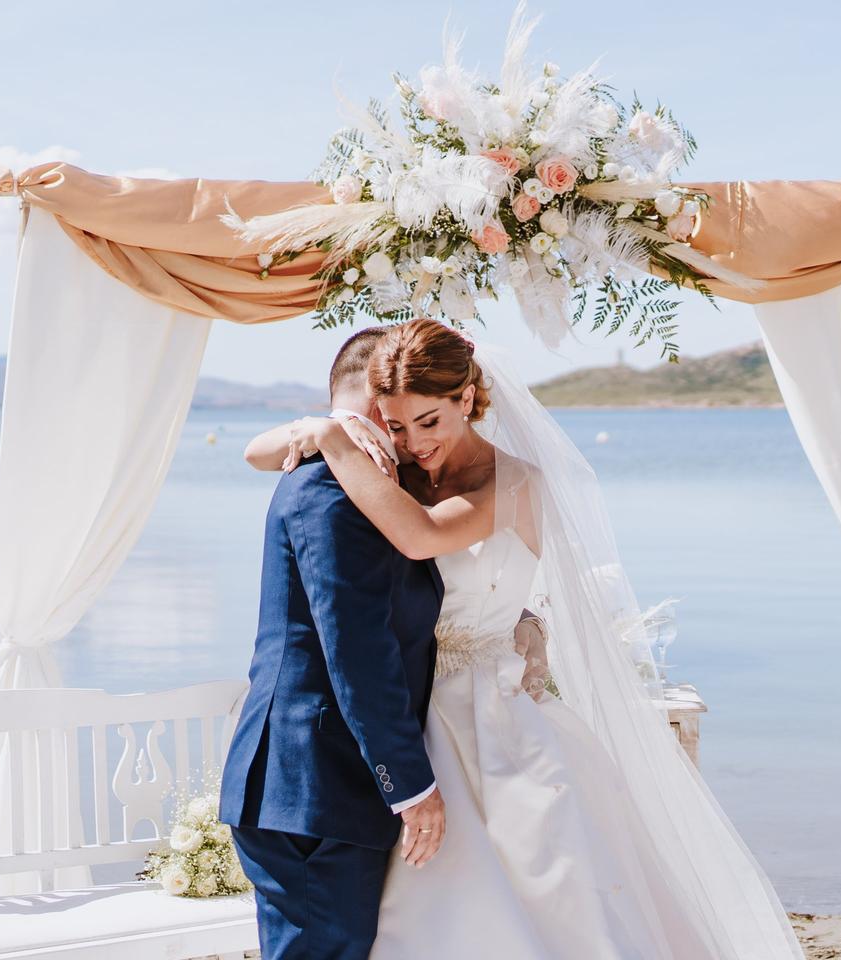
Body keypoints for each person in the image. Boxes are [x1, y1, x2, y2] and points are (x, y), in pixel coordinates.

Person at [255, 318, 807, 959]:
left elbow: (424, 540)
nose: (413, 442)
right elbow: (262, 457)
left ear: (466, 399)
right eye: (398, 426)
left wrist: (332, 438)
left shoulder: (511, 482)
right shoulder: (393, 470)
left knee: (546, 881)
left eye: (429, 421)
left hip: (494, 712)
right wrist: (322, 428)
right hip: (419, 711)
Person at [216, 328, 448, 960]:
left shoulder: (352, 478)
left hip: (318, 794)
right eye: (399, 417)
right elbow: (357, 654)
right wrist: (412, 788)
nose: (406, 435)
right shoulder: (335, 492)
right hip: (317, 793)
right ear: (379, 407)